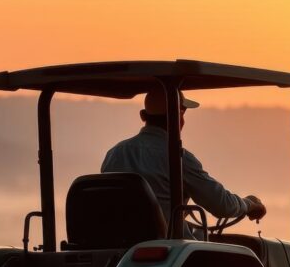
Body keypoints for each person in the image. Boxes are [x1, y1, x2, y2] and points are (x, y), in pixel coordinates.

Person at [102, 91, 266, 230]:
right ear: (178, 117)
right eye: (182, 113)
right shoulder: (179, 158)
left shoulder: (115, 154)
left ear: (143, 116)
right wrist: (249, 204)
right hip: (166, 244)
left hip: (118, 242)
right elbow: (222, 205)